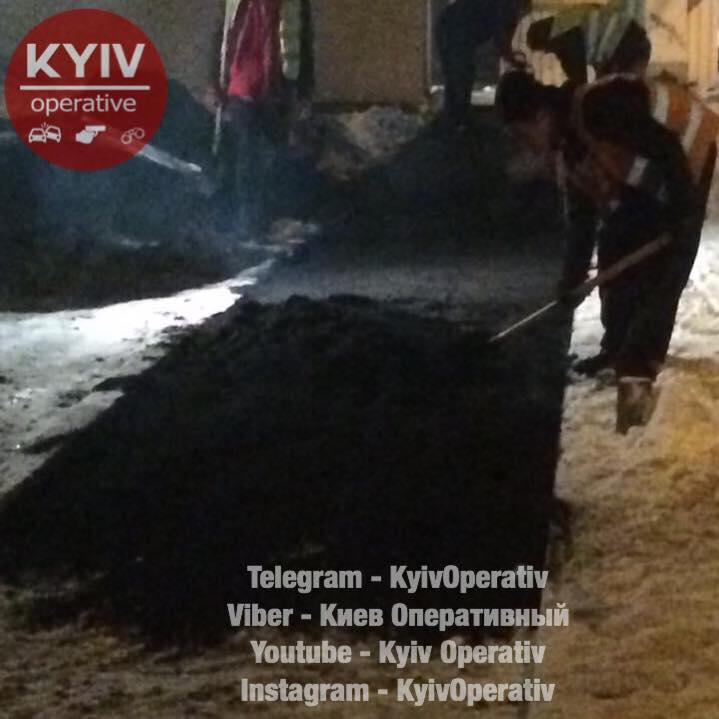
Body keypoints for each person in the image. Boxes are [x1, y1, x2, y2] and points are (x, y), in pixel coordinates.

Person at [495, 70, 718, 431]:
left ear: (541, 116)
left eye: (523, 135)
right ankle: (615, 348)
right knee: (617, 239)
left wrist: (682, 212)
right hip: (656, 175)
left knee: (666, 267)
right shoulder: (568, 151)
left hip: (690, 147)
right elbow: (584, 224)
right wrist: (571, 282)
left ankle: (639, 369)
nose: (528, 147)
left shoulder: (599, 106)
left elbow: (665, 146)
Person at [213, 0, 309, 232]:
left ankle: (270, 219)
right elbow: (222, 35)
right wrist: (215, 81)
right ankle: (248, 223)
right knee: (248, 156)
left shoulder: (292, 4)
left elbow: (303, 41)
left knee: (275, 154)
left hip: (276, 87)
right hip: (244, 88)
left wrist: (303, 88)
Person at [436, 0, 531, 129]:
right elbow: (501, 42)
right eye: (523, 11)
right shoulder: (504, 8)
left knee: (458, 75)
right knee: (461, 74)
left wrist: (515, 60)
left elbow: (505, 43)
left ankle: (454, 118)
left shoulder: (509, 12)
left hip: (452, 26)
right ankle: (458, 119)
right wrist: (517, 63)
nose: (522, 16)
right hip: (454, 27)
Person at [525, 0, 650, 85]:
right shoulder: (567, 15)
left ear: (545, 42)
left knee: (617, 89)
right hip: (632, 32)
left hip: (621, 45)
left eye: (544, 49)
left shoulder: (562, 38)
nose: (549, 51)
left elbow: (578, 80)